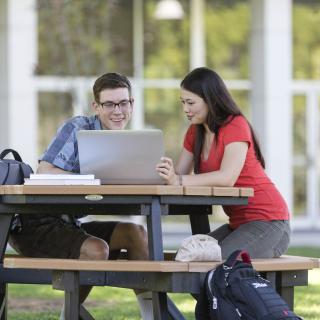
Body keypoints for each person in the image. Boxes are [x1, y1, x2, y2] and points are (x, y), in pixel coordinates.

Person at [9, 72, 153, 319]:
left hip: (69, 224)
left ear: (132, 104)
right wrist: (91, 180)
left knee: (136, 234)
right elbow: (45, 170)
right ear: (96, 106)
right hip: (36, 225)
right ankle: (70, 313)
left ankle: (153, 314)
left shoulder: (126, 144)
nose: (118, 111)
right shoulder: (78, 127)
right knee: (97, 250)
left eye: (123, 103)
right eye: (109, 104)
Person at [156, 67, 290, 259]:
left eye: (191, 103)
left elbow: (227, 178)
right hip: (239, 224)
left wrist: (178, 179)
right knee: (186, 256)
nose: (186, 109)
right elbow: (178, 175)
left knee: (212, 263)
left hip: (270, 222)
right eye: (183, 102)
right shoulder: (195, 132)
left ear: (210, 100)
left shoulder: (235, 125)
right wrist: (168, 173)